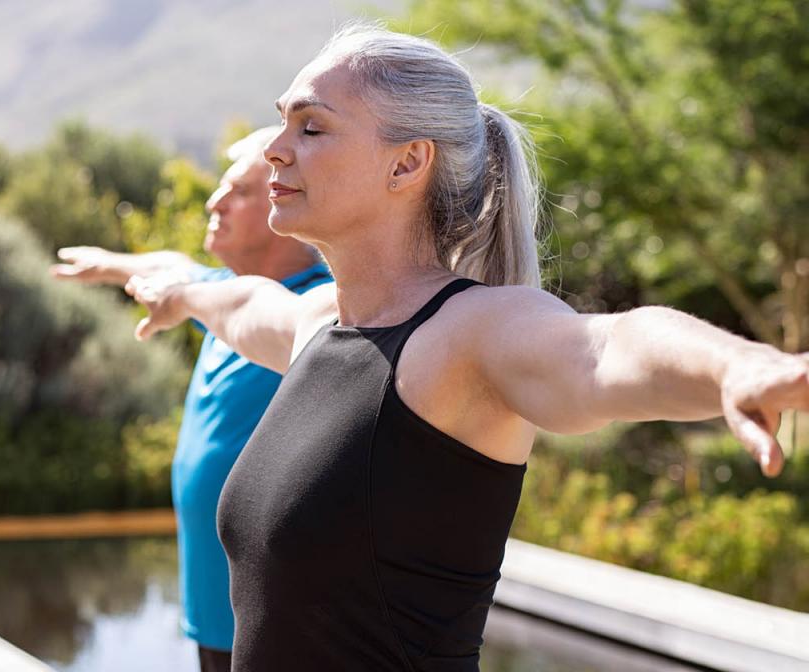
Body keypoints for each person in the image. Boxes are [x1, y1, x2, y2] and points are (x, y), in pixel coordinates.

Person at [126, 24, 808, 671]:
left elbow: (605, 348)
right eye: (283, 122)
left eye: (310, 127)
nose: (275, 148)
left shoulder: (467, 335)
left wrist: (736, 365)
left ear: (408, 163)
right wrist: (176, 290)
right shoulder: (320, 324)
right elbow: (239, 303)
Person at [52, 128, 329, 671]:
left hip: (280, 622)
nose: (213, 202)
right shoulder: (215, 294)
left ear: (286, 206)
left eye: (237, 191)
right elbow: (166, 266)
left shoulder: (314, 312)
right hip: (216, 615)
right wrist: (107, 263)